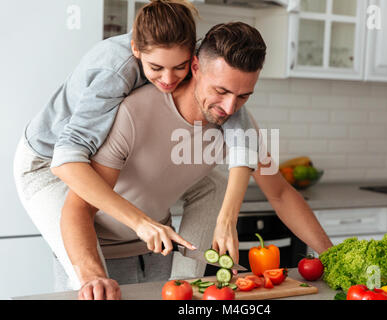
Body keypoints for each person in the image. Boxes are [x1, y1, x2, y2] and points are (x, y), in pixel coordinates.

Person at [63, 21, 333, 300]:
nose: (229, 107)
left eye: (243, 96)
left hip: (159, 254)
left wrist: (333, 256)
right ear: (194, 67)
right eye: (221, 91)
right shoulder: (134, 113)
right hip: (99, 255)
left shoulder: (238, 127)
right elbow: (78, 208)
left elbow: (280, 194)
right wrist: (92, 275)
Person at [13, 0, 257, 292]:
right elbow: (66, 159)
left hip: (88, 154)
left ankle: (187, 281)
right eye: (156, 68)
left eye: (179, 68)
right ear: (135, 50)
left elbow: (234, 113)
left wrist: (228, 216)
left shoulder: (192, 64)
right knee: (89, 271)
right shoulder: (114, 72)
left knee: (213, 183)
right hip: (47, 163)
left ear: (192, 57)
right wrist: (141, 222)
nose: (168, 79)